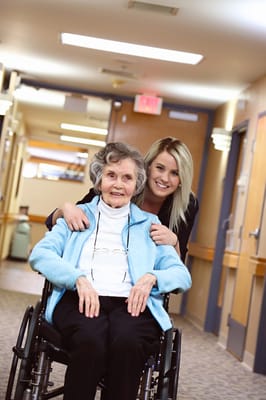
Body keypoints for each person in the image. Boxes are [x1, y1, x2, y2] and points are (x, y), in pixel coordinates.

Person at [29, 142, 192, 400]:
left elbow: (181, 275)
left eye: (127, 178)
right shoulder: (79, 216)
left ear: (137, 184)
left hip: (133, 303)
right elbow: (40, 254)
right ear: (98, 179)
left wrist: (153, 277)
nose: (118, 184)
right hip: (79, 297)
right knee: (90, 339)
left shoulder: (150, 224)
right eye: (111, 175)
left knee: (127, 341)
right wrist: (77, 279)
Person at [46, 137, 199, 262]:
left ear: (182, 179)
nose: (165, 178)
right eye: (160, 168)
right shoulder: (118, 189)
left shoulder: (187, 205)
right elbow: (57, 222)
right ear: (147, 167)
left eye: (175, 173)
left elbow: (177, 267)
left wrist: (175, 241)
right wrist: (65, 209)